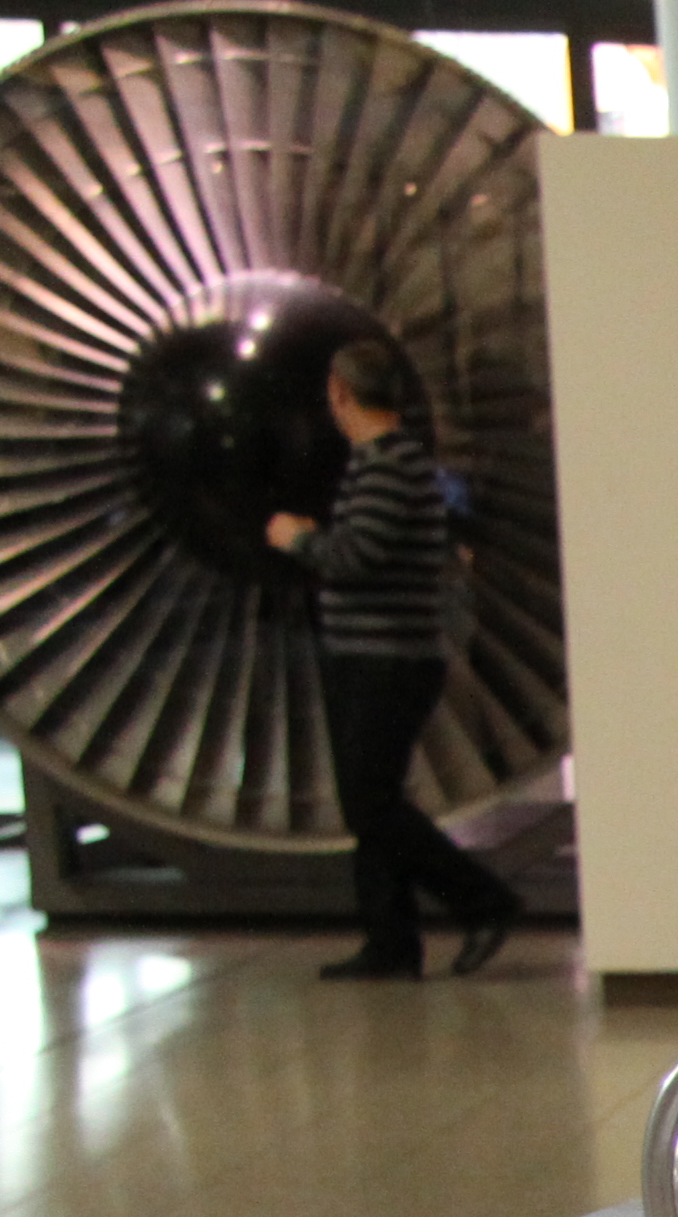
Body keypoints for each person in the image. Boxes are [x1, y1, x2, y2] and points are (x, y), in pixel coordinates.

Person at [263, 340, 521, 981]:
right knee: (372, 800)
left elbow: (355, 557)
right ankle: (390, 942)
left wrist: (299, 538)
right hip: (381, 654)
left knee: (370, 803)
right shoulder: (391, 463)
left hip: (385, 658)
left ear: (341, 392)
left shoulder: (388, 467)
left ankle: (482, 901)